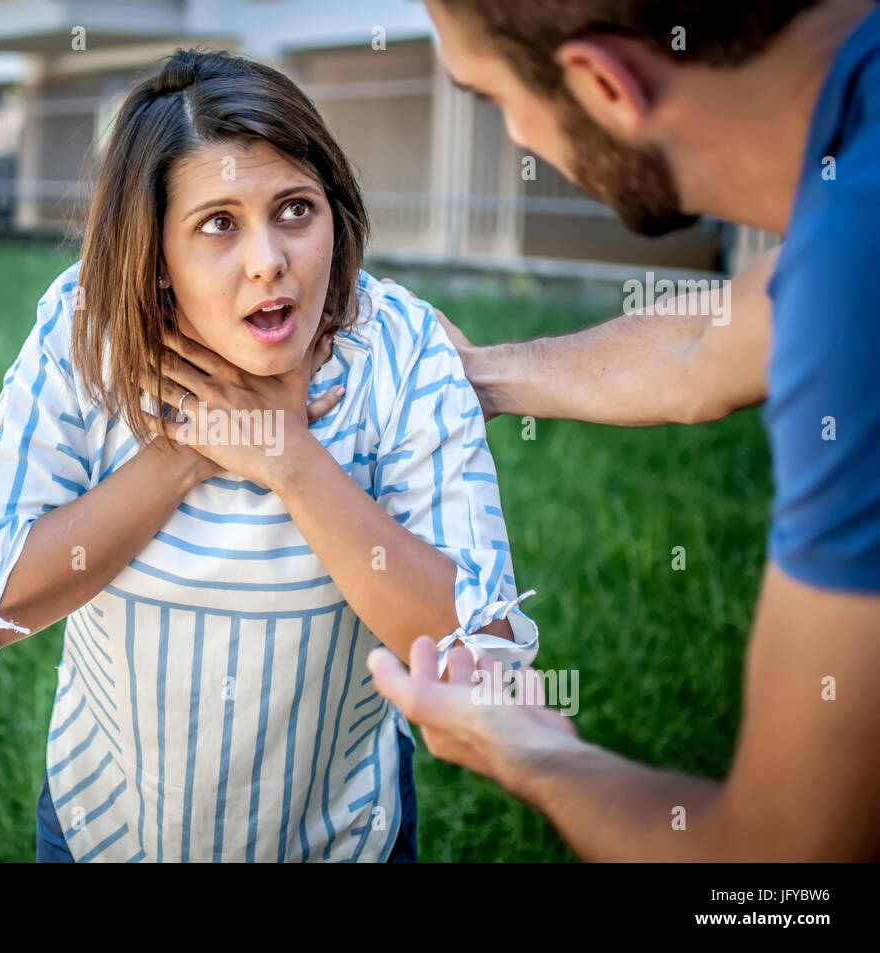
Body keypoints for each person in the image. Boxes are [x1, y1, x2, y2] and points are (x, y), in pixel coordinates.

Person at [0, 49, 539, 863]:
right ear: (156, 254)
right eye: (218, 223)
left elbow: (476, 654)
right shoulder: (84, 329)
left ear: (336, 216)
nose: (267, 260)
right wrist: (184, 455)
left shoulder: (400, 345)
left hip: (346, 841)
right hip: (104, 831)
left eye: (295, 210)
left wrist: (289, 458)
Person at [369, 0, 880, 860]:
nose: (521, 140)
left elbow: (783, 868)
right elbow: (706, 341)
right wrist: (476, 375)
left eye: (493, 99)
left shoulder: (856, 276)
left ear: (605, 84)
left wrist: (525, 747)